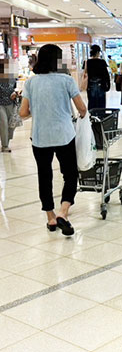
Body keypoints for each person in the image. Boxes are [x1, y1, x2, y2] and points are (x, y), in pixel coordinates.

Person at [20, 44, 87, 236]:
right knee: (70, 174)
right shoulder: (66, 80)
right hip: (64, 135)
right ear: (58, 60)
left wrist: (40, 111)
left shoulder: (31, 83)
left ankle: (50, 217)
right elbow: (82, 109)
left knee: (44, 176)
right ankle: (63, 213)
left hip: (40, 137)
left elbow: (23, 112)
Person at [0, 58, 19, 152]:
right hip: (0, 104)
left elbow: (15, 88)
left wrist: (15, 93)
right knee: (3, 123)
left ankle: (6, 141)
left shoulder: (12, 78)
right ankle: (4, 146)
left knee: (11, 125)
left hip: (11, 103)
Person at [83, 44, 110, 109]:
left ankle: (92, 117)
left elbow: (85, 73)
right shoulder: (102, 62)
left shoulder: (87, 62)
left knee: (92, 102)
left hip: (91, 85)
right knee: (101, 104)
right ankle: (101, 117)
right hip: (101, 84)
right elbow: (106, 75)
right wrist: (108, 85)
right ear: (98, 52)